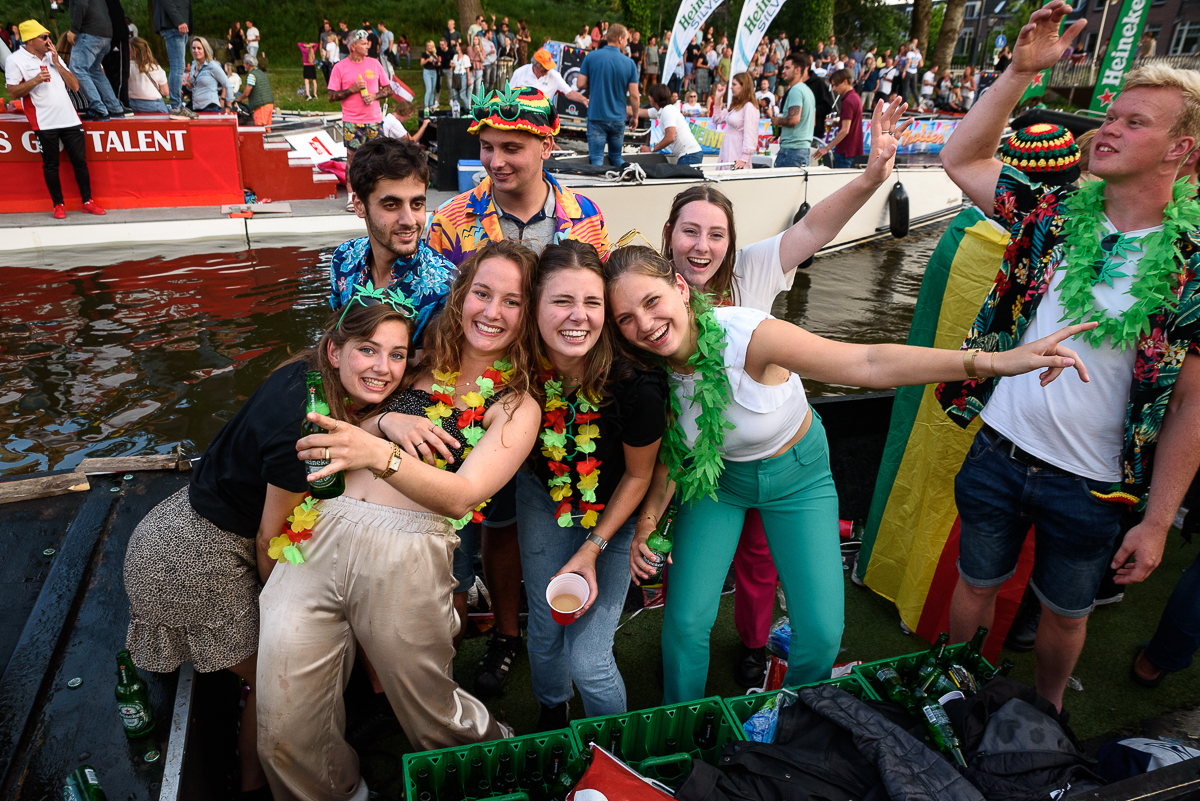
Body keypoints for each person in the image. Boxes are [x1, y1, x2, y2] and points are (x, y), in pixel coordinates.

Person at [605, 238, 1098, 706]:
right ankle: (680, 724)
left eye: (652, 301)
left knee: (821, 634)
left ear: (681, 287)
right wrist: (647, 522)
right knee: (685, 623)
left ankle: (795, 718)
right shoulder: (645, 371)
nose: (645, 324)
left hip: (798, 479)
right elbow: (670, 451)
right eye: (626, 318)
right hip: (718, 485)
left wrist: (994, 363)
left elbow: (868, 361)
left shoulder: (751, 337)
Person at [938, 0, 1200, 711]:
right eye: (1110, 116)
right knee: (975, 584)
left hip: (1094, 485)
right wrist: (1019, 72)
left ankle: (1048, 710)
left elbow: (1190, 403)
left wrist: (1157, 520)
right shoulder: (1052, 215)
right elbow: (961, 159)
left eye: (1134, 122)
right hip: (999, 447)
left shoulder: (1194, 265)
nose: (1107, 128)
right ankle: (956, 691)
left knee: (1065, 614)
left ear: (1180, 149)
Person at [657, 101, 925, 687]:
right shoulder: (651, 299)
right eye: (690, 231)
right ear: (669, 236)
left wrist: (871, 177)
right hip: (709, 468)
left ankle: (758, 650)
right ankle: (684, 701)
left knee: (764, 563)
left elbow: (814, 229)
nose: (702, 246)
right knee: (689, 604)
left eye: (716, 235)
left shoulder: (753, 269)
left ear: (731, 244)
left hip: (784, 451)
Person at [122, 299, 411, 801]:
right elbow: (268, 539)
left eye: (398, 354)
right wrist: (283, 613)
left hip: (174, 526)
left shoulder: (304, 373)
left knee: (278, 680)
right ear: (335, 351)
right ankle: (278, 788)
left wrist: (383, 421)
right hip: (190, 562)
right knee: (287, 688)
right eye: (368, 350)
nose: (384, 368)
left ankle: (257, 781)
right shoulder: (305, 435)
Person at [427, 86, 610, 697]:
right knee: (463, 526)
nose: (496, 160)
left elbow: (595, 308)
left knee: (513, 525)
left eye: (512, 148)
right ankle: (486, 641)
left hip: (559, 406)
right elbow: (441, 315)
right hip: (476, 401)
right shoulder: (452, 219)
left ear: (547, 145)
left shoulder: (587, 214)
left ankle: (526, 630)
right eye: (487, 147)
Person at [517, 240, 667, 730]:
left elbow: (640, 475)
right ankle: (552, 715)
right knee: (544, 626)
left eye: (592, 302)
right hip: (543, 497)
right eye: (562, 301)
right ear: (534, 305)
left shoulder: (637, 383)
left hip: (619, 511)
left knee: (588, 659)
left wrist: (593, 547)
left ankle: (613, 752)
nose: (578, 316)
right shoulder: (516, 367)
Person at [330, 137, 455, 345]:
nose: (409, 220)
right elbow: (337, 335)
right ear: (359, 205)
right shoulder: (343, 258)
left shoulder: (445, 288)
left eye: (417, 204)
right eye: (391, 205)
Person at [5, 19, 105, 220]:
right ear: (30, 40)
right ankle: (58, 204)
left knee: (80, 162)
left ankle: (88, 201)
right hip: (44, 121)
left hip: (69, 118)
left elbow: (75, 86)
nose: (48, 41)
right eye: (44, 37)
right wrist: (35, 80)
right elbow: (13, 92)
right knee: (51, 164)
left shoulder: (53, 56)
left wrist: (58, 63)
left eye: (49, 37)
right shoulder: (15, 60)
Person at [328, 29, 393, 209]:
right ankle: (352, 196)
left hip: (374, 120)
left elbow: (389, 89)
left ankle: (377, 194)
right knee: (353, 158)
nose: (367, 46)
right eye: (363, 44)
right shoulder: (340, 67)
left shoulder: (374, 63)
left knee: (378, 157)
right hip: (352, 121)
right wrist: (352, 89)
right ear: (352, 47)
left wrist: (375, 95)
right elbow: (331, 96)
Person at [578, 24, 640, 169]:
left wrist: (596, 82)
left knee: (596, 159)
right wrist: (635, 116)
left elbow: (580, 83)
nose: (627, 43)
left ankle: (597, 182)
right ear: (620, 39)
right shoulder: (629, 63)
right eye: (626, 40)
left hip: (596, 116)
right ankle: (624, 177)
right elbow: (634, 95)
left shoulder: (591, 56)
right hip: (618, 118)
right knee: (616, 157)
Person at [67, 0, 122, 120]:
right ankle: (114, 107)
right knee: (94, 70)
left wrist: (74, 29)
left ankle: (98, 109)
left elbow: (81, 4)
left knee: (77, 69)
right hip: (105, 34)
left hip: (89, 34)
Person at [638, 82, 703, 165]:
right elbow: (639, 112)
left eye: (650, 95)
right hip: (690, 154)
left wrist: (651, 149)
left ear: (655, 97)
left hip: (689, 155)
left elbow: (670, 137)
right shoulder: (661, 110)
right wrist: (622, 108)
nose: (649, 97)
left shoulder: (667, 111)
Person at [773, 53, 816, 169]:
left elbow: (794, 119)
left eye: (787, 68)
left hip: (792, 150)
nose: (783, 71)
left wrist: (778, 121)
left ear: (798, 70)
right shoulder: (808, 91)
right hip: (802, 149)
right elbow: (813, 122)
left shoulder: (795, 90)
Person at [815, 69, 863, 168]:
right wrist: (837, 123)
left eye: (836, 85)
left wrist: (827, 148)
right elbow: (851, 123)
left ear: (845, 82)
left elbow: (845, 130)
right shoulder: (856, 97)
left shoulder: (848, 101)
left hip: (844, 149)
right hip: (851, 149)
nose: (833, 88)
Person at [510, 47, 588, 107]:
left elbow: (569, 93)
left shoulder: (555, 76)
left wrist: (584, 100)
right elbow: (509, 94)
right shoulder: (520, 72)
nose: (548, 71)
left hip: (542, 115)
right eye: (545, 68)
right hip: (521, 114)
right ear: (536, 65)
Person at [712, 71, 760, 170]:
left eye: (734, 84)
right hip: (727, 149)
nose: (731, 87)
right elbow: (717, 119)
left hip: (737, 152)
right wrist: (718, 98)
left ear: (743, 86)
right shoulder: (735, 106)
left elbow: (750, 133)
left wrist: (744, 158)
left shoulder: (749, 107)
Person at [185, 37, 229, 113]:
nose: (196, 51)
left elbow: (227, 83)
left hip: (210, 107)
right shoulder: (193, 65)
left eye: (199, 48)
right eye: (193, 48)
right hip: (196, 107)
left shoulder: (212, 65)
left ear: (205, 49)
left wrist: (224, 101)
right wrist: (189, 85)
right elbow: (195, 87)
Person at [127, 36, 168, 113]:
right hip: (154, 105)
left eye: (128, 48)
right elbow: (165, 92)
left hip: (132, 104)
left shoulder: (126, 67)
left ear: (135, 50)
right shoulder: (155, 68)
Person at [237, 54, 273, 126]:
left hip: (261, 106)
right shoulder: (261, 73)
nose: (243, 65)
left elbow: (247, 92)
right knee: (267, 128)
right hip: (269, 103)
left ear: (248, 64)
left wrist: (239, 99)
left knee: (259, 128)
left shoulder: (252, 75)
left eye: (244, 63)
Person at [450, 40, 472, 112]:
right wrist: (451, 66)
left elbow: (467, 69)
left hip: (462, 75)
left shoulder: (465, 57)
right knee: (455, 95)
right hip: (456, 75)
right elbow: (453, 66)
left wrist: (468, 79)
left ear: (460, 47)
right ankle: (458, 110)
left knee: (462, 94)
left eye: (457, 46)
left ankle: (468, 109)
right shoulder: (455, 56)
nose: (456, 47)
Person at [420, 41, 439, 112]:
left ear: (433, 46)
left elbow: (436, 64)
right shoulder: (425, 54)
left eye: (430, 45)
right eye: (428, 45)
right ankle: (426, 105)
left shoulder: (435, 54)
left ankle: (431, 105)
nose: (429, 47)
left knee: (433, 89)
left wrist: (438, 63)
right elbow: (421, 63)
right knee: (429, 89)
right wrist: (427, 60)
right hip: (427, 72)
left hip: (434, 72)